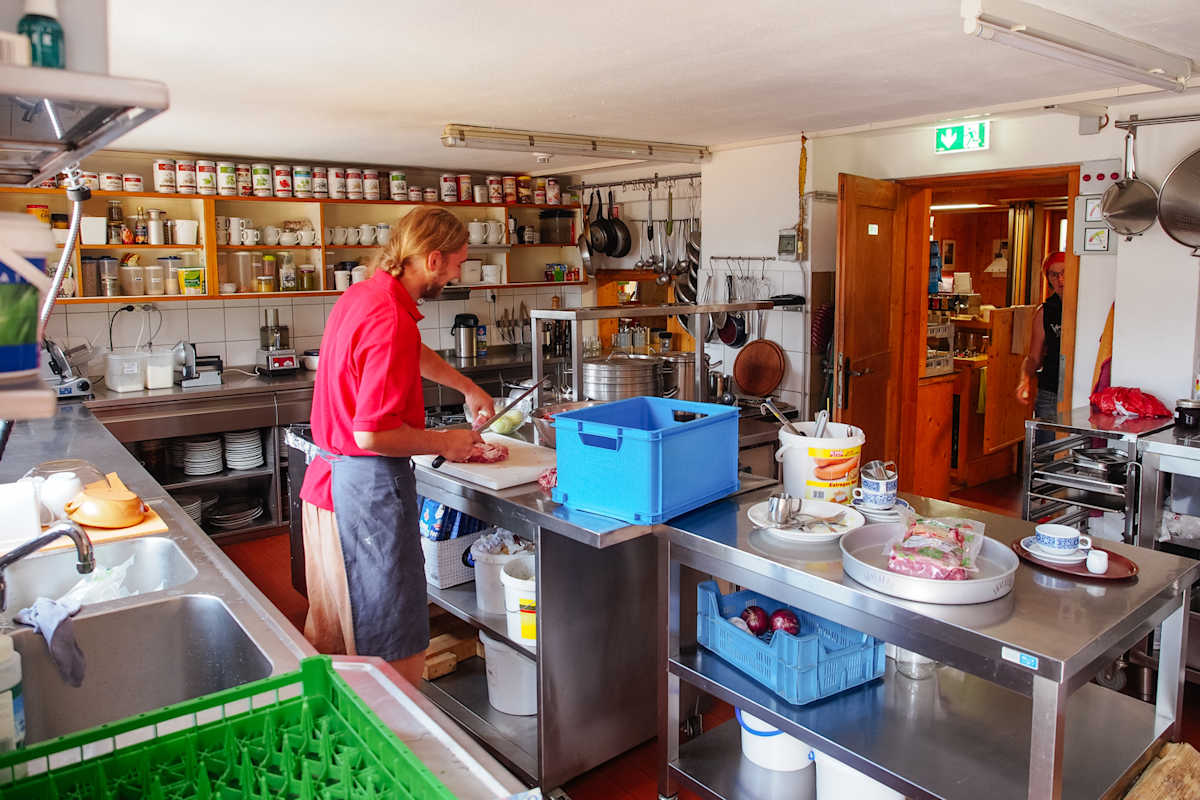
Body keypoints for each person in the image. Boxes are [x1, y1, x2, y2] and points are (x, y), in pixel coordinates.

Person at [298, 207, 493, 685]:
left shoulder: (367, 294)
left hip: (329, 483)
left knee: (339, 633)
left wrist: (466, 386)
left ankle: (341, 737)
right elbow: (373, 433)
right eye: (457, 264)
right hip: (366, 489)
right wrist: (446, 442)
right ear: (432, 258)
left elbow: (411, 350)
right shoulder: (389, 318)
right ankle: (398, 739)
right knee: (392, 640)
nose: (457, 273)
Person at [1016, 251, 1066, 443]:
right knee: (1045, 453)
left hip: (1079, 391)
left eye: (1064, 272)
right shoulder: (1045, 312)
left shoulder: (1086, 306)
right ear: (1048, 279)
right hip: (1050, 392)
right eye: (1054, 274)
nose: (1060, 279)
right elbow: (1033, 358)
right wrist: (1024, 380)